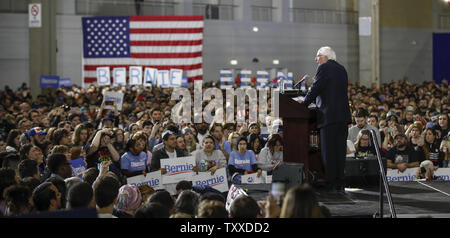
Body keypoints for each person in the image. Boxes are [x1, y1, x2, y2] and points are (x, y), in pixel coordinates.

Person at [301, 46, 352, 193]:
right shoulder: (342, 69)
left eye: (318, 56)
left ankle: (330, 184)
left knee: (328, 152)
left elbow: (316, 88)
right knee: (340, 152)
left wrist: (303, 104)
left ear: (325, 57)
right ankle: (340, 183)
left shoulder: (324, 68)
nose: (316, 59)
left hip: (328, 116)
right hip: (342, 117)